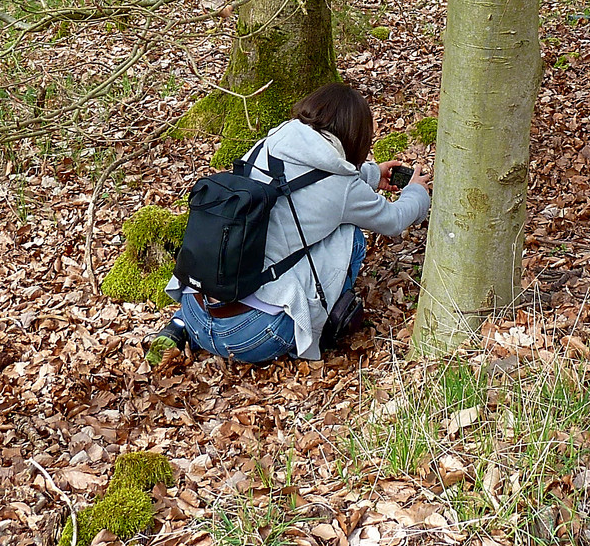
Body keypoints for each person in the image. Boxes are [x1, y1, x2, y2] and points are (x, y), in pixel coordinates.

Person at [146, 83, 430, 365]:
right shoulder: (342, 188)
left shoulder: (271, 144)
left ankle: (179, 327)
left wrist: (368, 175)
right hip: (252, 336)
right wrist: (416, 191)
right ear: (355, 137)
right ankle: (327, 318)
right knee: (349, 234)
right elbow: (392, 220)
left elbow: (308, 183)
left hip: (195, 308)